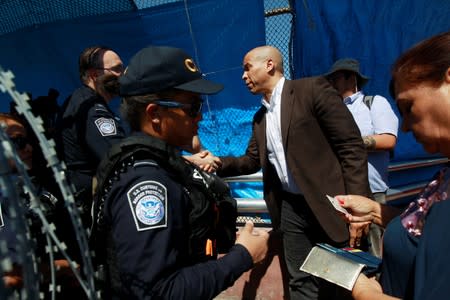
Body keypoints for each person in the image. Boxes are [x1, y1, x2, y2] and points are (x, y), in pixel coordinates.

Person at [90, 46, 269, 299]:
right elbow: (157, 291)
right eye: (192, 108)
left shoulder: (162, 166)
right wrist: (242, 257)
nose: (200, 118)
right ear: (155, 114)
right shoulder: (147, 182)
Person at [209, 45, 372, 299]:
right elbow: (251, 161)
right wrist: (215, 162)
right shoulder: (260, 118)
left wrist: (358, 208)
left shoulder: (312, 90)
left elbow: (350, 146)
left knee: (345, 279)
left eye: (247, 67)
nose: (243, 76)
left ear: (270, 65)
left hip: (332, 207)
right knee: (300, 279)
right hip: (291, 210)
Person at [336, 31, 450, 300]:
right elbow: (426, 231)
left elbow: (387, 139)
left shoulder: (373, 104)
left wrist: (364, 290)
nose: (407, 127)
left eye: (408, 107)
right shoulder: (445, 177)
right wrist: (377, 212)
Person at [325, 58, 399, 258]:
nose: (331, 82)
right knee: (349, 250)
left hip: (372, 192)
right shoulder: (330, 111)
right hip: (340, 194)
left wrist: (351, 142)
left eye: (336, 77)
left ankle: (379, 287)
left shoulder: (374, 103)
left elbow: (388, 140)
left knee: (377, 249)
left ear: (351, 78)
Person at [57, 45, 126, 226]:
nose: (124, 74)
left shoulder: (84, 101)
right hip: (90, 212)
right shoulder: (91, 110)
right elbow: (120, 157)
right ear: (95, 75)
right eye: (117, 69)